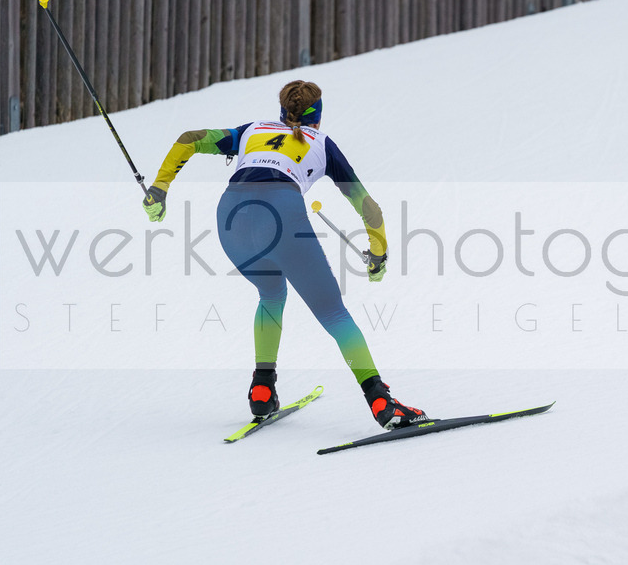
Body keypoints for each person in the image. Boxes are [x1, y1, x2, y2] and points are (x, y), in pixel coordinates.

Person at [141, 80, 428, 430]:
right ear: (317, 117)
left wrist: (159, 188)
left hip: (230, 218)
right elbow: (370, 209)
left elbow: (189, 139)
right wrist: (378, 255)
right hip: (279, 213)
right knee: (333, 312)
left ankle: (262, 390)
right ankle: (381, 401)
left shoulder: (252, 130)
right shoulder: (321, 143)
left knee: (272, 293)